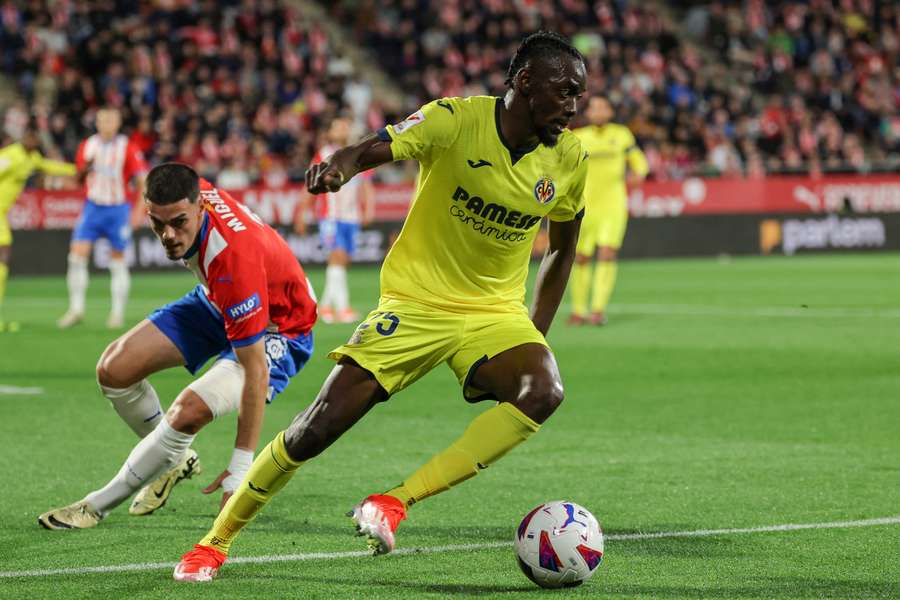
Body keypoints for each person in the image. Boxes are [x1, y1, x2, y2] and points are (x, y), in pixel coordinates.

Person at [173, 30, 588, 583]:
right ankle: (213, 542)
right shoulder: (456, 119)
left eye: (579, 95)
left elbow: (561, 250)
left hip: (494, 312)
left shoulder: (570, 159)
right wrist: (341, 166)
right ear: (525, 81)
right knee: (315, 429)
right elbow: (374, 145)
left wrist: (533, 333)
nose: (573, 106)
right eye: (565, 90)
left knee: (545, 390)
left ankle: (393, 501)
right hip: (415, 303)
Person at [38, 163, 317, 529]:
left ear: (201, 205)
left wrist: (239, 470)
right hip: (217, 301)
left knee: (187, 410)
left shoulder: (234, 258)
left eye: (179, 223)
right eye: (157, 223)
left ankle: (94, 506)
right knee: (114, 369)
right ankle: (175, 459)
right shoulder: (189, 192)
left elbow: (255, 371)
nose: (168, 235)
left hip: (278, 328)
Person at [57, 107, 148, 330]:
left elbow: (142, 183)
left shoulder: (128, 147)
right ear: (97, 123)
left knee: (117, 262)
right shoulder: (87, 146)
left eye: (110, 120)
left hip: (117, 210)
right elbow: (78, 179)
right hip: (92, 208)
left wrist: (138, 213)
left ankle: (116, 314)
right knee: (76, 257)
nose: (106, 124)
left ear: (117, 123)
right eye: (102, 120)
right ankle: (76, 309)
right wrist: (82, 170)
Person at [568, 95, 648, 326]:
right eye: (595, 108)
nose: (600, 111)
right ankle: (578, 310)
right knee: (581, 257)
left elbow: (638, 160)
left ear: (610, 112)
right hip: (585, 204)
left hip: (613, 204)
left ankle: (597, 310)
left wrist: (639, 173)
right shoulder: (579, 137)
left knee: (607, 253)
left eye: (604, 107)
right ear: (589, 113)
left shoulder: (621, 134)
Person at [296, 115, 375, 323]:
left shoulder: (358, 153)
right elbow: (310, 185)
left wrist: (369, 208)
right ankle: (342, 307)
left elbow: (366, 184)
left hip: (352, 216)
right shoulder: (322, 155)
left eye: (345, 126)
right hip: (329, 216)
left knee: (343, 260)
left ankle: (325, 306)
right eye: (338, 126)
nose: (342, 129)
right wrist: (302, 213)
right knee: (337, 256)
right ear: (330, 133)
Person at [0, 128, 78, 332]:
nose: (31, 142)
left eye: (34, 140)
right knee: (2, 258)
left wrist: (75, 169)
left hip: (1, 215)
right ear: (22, 139)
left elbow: (49, 166)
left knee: (3, 262)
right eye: (28, 138)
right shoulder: (10, 156)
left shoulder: (31, 157)